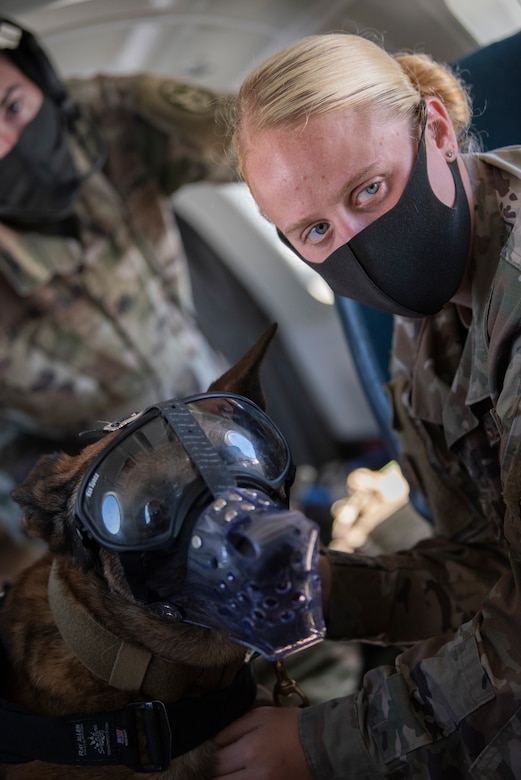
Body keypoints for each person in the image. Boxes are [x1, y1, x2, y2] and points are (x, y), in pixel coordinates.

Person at [212, 32, 521, 778]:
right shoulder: (433, 307)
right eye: (315, 230)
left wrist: (323, 745)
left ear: (438, 133)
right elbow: (484, 558)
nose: (356, 242)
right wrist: (314, 591)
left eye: (368, 191)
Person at [0, 17, 233, 538]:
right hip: (114, 494)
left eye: (13, 106)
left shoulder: (110, 128)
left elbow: (259, 150)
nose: (7, 141)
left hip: (213, 400)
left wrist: (150, 101)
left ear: (45, 83)